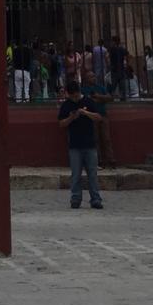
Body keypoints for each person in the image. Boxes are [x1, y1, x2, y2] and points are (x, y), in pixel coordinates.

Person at [58, 78, 103, 209]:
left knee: (92, 174)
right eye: (72, 96)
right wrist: (72, 117)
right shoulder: (66, 105)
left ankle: (95, 199)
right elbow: (61, 124)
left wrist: (85, 112)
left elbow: (98, 117)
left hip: (89, 144)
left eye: (76, 96)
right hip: (75, 145)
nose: (75, 98)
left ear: (79, 92)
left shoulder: (88, 101)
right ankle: (75, 199)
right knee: (75, 174)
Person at [82, 69, 116, 168]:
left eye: (93, 76)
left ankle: (110, 159)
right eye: (90, 77)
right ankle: (99, 160)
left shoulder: (100, 88)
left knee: (106, 138)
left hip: (103, 115)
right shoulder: (84, 90)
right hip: (92, 116)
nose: (93, 78)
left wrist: (98, 96)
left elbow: (110, 97)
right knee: (95, 138)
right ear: (86, 79)